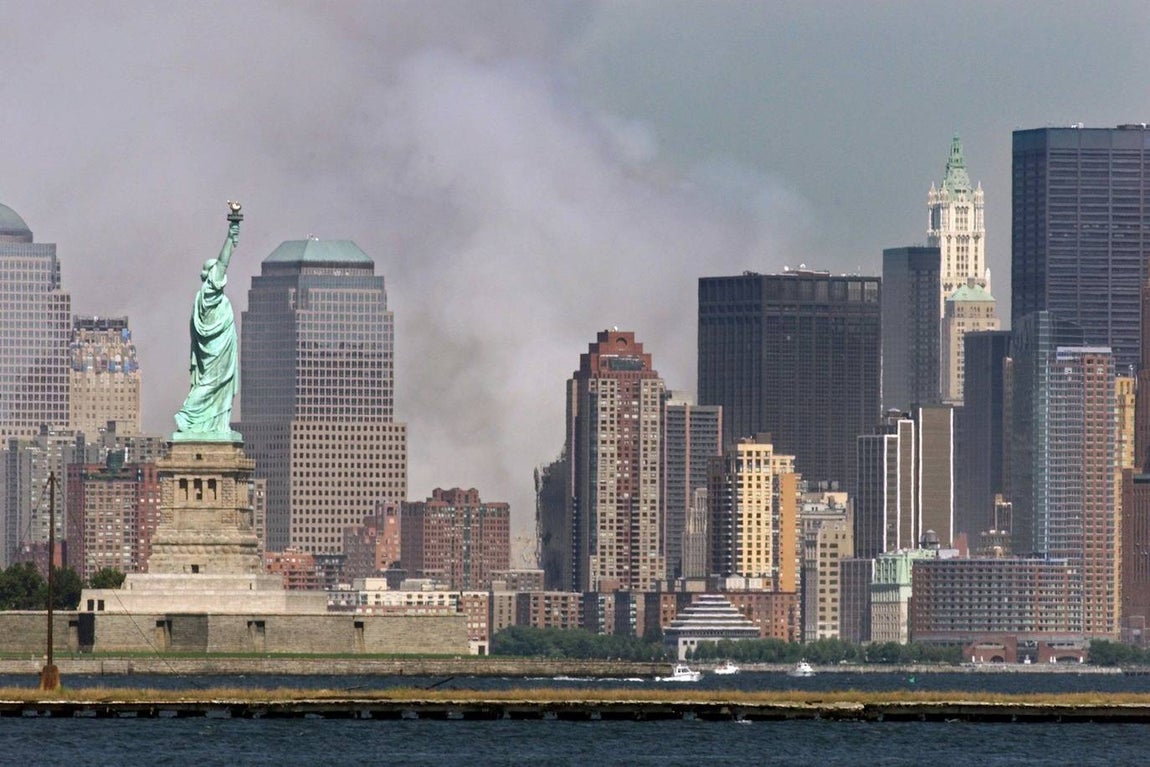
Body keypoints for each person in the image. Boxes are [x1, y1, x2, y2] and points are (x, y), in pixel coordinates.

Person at [174, 211, 241, 436]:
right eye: (217, 272)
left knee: (215, 385)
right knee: (211, 383)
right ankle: (187, 415)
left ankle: (213, 424)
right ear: (211, 276)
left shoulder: (203, 298)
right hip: (216, 351)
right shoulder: (209, 293)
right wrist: (231, 235)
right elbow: (223, 262)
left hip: (218, 349)